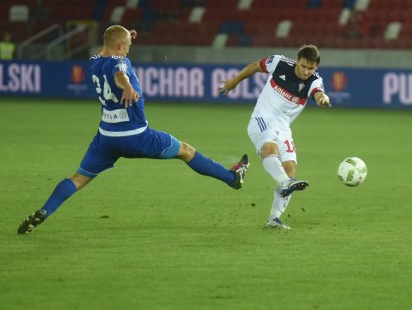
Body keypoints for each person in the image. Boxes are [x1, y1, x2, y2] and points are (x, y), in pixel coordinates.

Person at [17, 25, 249, 234]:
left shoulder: (94, 61)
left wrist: (124, 35)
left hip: (106, 139)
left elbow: (109, 47)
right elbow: (119, 74)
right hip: (137, 137)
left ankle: (44, 211)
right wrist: (127, 85)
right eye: (126, 46)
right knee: (186, 151)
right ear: (119, 46)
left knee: (77, 179)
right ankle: (232, 179)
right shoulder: (120, 62)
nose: (128, 50)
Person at [219, 44, 331, 230]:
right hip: (262, 118)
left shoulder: (314, 81)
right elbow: (256, 66)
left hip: (283, 127)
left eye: (310, 68)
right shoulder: (279, 62)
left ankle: (274, 219)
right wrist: (235, 81)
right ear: (297, 60)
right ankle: (284, 183)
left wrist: (322, 99)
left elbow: (319, 93)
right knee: (271, 150)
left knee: (290, 169)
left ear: (316, 67)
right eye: (303, 66)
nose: (305, 71)